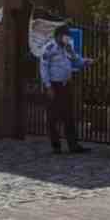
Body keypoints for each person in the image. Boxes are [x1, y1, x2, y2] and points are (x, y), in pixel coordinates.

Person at [41, 23, 89, 154]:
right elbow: (44, 68)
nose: (67, 38)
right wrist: (48, 87)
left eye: (68, 36)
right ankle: (56, 146)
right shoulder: (49, 48)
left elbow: (76, 60)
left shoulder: (67, 47)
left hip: (66, 85)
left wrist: (85, 62)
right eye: (65, 36)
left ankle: (73, 145)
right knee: (52, 117)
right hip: (53, 86)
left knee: (69, 116)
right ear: (58, 36)